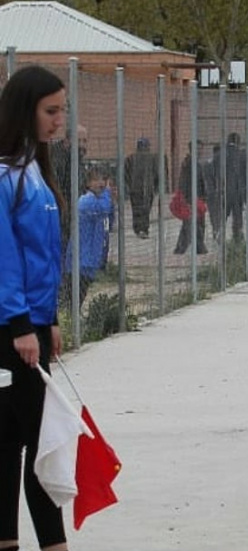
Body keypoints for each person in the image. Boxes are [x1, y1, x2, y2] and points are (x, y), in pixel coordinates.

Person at [0, 65, 71, 551]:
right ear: (25, 111)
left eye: (62, 110)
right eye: (51, 111)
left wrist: (52, 320)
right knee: (11, 447)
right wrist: (22, 324)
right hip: (11, 332)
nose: (58, 121)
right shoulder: (6, 176)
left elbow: (44, 257)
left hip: (35, 327)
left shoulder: (36, 175)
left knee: (39, 446)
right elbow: (4, 256)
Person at [63, 164, 114, 307]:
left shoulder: (99, 200)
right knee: (75, 295)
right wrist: (107, 193)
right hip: (81, 259)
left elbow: (109, 220)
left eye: (103, 180)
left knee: (81, 294)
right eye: (96, 180)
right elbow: (104, 209)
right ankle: (70, 320)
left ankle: (72, 318)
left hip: (91, 259)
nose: (101, 183)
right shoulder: (86, 201)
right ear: (87, 183)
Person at [174, 141, 209, 255]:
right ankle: (193, 248)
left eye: (201, 149)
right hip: (192, 199)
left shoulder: (193, 163)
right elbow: (184, 182)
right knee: (192, 224)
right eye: (198, 149)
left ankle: (195, 248)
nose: (201, 151)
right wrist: (186, 200)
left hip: (197, 199)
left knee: (194, 224)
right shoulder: (190, 164)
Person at [124, 137, 163, 239]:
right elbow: (157, 174)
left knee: (137, 209)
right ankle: (143, 229)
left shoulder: (131, 158)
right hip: (146, 188)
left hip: (136, 189)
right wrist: (156, 186)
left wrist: (129, 186)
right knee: (145, 209)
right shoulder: (152, 158)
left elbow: (125, 174)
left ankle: (138, 229)